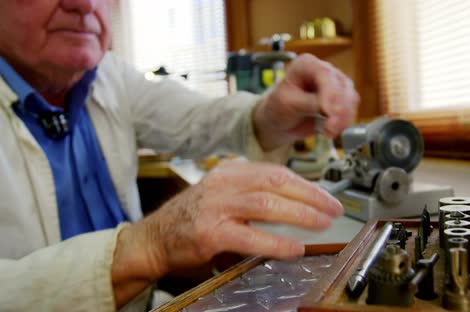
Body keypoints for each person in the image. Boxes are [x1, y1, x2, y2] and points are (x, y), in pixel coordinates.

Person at [0, 0, 359, 311]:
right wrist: (148, 245)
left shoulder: (109, 76)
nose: (83, 4)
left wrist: (268, 115)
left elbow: (199, 121)